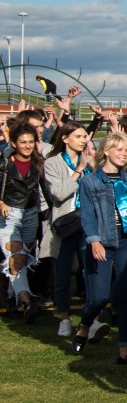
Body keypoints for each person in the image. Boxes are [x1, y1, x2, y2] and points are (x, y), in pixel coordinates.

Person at [74, 132, 127, 362]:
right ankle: (84, 325)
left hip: (126, 242)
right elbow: (87, 215)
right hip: (100, 241)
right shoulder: (90, 181)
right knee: (100, 298)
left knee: (125, 297)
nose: (124, 153)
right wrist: (93, 240)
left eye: (126, 150)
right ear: (106, 151)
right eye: (119, 149)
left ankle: (124, 348)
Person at [41, 121, 92, 337]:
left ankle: (92, 320)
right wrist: (79, 170)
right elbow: (59, 193)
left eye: (85, 137)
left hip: (87, 224)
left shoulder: (90, 161)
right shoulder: (52, 163)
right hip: (63, 225)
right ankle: (64, 318)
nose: (83, 141)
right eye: (79, 136)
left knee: (89, 272)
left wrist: (89, 166)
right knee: (62, 274)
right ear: (65, 138)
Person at [0, 123, 46, 322]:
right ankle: (27, 301)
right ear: (14, 143)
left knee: (23, 260)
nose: (27, 146)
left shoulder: (39, 163)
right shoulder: (4, 163)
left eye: (31, 142)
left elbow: (45, 190)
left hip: (30, 215)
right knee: (16, 258)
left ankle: (14, 301)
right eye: (23, 142)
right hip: (8, 214)